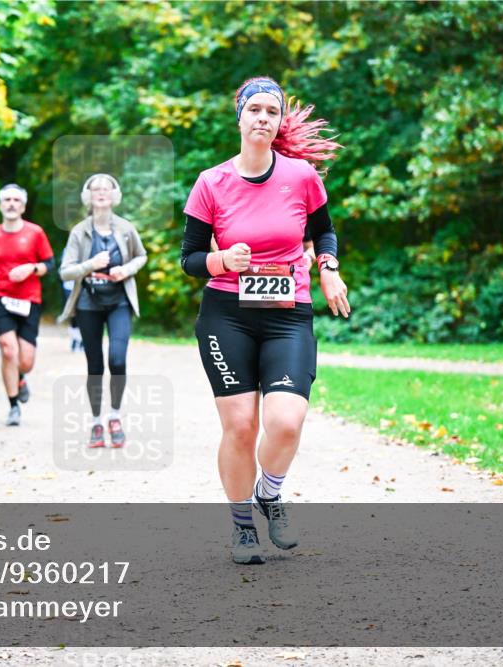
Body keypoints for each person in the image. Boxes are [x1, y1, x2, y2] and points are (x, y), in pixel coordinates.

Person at [181, 76, 350, 564]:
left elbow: (325, 233)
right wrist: (221, 262)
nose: (262, 118)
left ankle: (269, 493)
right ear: (239, 116)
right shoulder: (212, 182)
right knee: (239, 427)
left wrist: (329, 271)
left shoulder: (301, 177)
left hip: (287, 314)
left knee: (286, 422)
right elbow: (190, 258)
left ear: (278, 122)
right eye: (254, 109)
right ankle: (242, 529)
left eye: (271, 112)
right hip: (226, 315)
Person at [59, 174, 147, 448]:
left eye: (106, 188)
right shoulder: (79, 231)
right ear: (88, 196)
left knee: (117, 360)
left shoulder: (125, 228)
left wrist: (127, 269)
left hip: (119, 301)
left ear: (114, 194)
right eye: (95, 188)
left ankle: (115, 416)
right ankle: (96, 421)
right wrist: (90, 265)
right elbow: (65, 272)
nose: (100, 192)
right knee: (94, 365)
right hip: (88, 304)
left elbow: (141, 256)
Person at [0, 184, 55, 426]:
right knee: (7, 349)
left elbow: (49, 264)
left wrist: (31, 268)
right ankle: (13, 407)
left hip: (29, 300)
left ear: (22, 206)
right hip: (1, 298)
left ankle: (20, 378)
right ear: (1, 205)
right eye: (7, 200)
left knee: (26, 361)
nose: (11, 204)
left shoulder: (35, 233)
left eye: (16, 200)